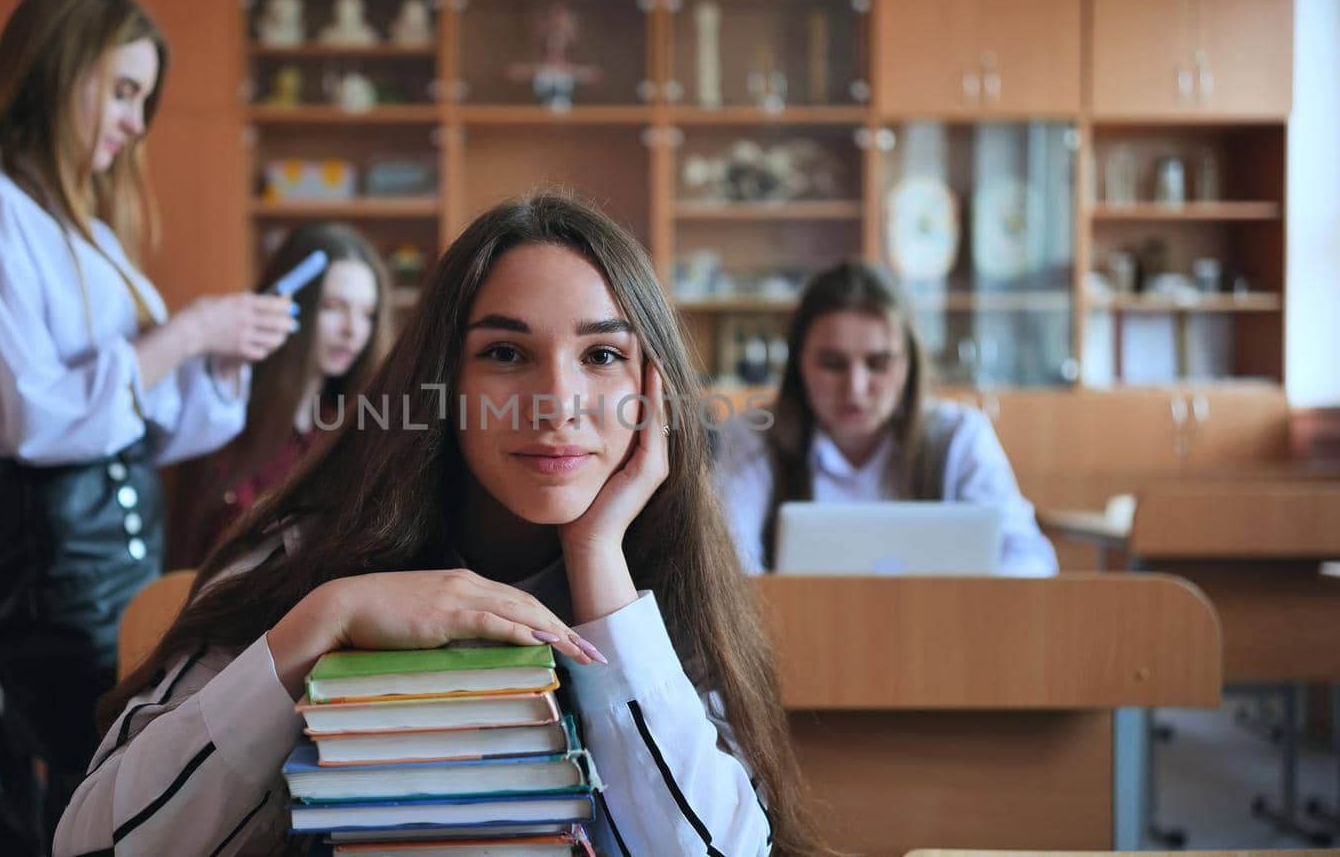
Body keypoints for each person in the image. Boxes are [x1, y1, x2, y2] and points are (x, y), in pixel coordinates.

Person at [53, 193, 818, 856]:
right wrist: (327, 618)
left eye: (603, 353)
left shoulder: (667, 571)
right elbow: (93, 842)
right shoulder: (296, 557)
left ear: (653, 390)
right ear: (441, 385)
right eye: (507, 352)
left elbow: (718, 850)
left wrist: (598, 561)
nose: (557, 401)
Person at [0, 0, 296, 847]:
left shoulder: (82, 227)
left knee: (110, 770)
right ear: (57, 70)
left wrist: (220, 358)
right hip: (49, 551)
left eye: (143, 101)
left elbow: (153, 424)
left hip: (110, 539)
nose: (132, 122)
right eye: (122, 91)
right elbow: (34, 421)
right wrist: (191, 330)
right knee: (106, 777)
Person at [715, 261, 1057, 577]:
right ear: (798, 364)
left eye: (878, 364)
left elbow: (1029, 558)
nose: (855, 387)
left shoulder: (959, 436)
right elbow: (726, 562)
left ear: (908, 365)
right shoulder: (753, 436)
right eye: (832, 364)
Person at [170, 223, 392, 569]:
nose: (353, 330)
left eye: (367, 314)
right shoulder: (223, 411)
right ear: (287, 307)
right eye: (333, 307)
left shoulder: (358, 427)